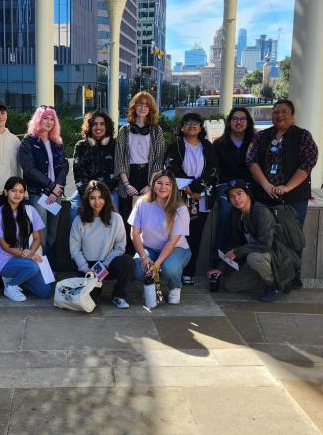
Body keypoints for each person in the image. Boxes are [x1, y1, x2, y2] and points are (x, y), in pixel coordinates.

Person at [207, 184, 299, 302]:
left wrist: (237, 251)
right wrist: (220, 268)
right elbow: (234, 244)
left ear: (248, 195)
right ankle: (281, 282)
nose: (236, 199)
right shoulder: (237, 215)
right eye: (232, 196)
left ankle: (276, 285)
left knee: (253, 258)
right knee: (230, 285)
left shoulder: (261, 211)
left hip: (276, 255)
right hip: (256, 257)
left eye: (239, 194)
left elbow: (265, 244)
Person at [163, 111, 217, 285]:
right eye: (187, 123)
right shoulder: (175, 146)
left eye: (196, 123)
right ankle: (174, 271)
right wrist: (188, 189)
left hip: (201, 197)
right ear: (181, 127)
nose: (192, 126)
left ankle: (189, 272)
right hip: (181, 197)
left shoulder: (208, 146)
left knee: (196, 236)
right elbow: (172, 168)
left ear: (201, 127)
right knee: (178, 235)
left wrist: (197, 189)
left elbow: (213, 169)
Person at [247, 99, 318, 226]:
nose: (279, 115)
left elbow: (307, 163)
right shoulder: (261, 135)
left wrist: (286, 188)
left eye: (284, 112)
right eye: (275, 112)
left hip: (294, 197)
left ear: (292, 115)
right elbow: (251, 160)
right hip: (264, 195)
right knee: (264, 235)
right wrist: (266, 185)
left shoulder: (303, 136)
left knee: (291, 236)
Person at [129, 170, 191, 305]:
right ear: (153, 184)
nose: (163, 187)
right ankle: (151, 285)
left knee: (169, 267)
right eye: (159, 183)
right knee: (138, 269)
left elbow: (172, 241)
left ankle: (175, 286)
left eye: (168, 184)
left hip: (177, 249)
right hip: (150, 248)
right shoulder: (142, 203)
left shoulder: (180, 208)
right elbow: (134, 234)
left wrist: (157, 264)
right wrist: (144, 257)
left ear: (173, 186)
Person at [69, 180, 134, 309]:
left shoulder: (116, 219)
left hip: (107, 263)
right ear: (87, 200)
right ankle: (94, 290)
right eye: (93, 198)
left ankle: (119, 295)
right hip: (87, 266)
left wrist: (103, 266)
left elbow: (120, 246)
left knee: (128, 261)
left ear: (107, 199)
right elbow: (74, 249)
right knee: (90, 303)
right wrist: (86, 268)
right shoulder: (78, 220)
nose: (97, 202)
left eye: (100, 198)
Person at [0, 176, 54, 302]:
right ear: (5, 192)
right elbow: (4, 246)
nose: (17, 194)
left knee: (45, 292)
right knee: (33, 267)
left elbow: (37, 238)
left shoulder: (30, 211)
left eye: (20, 191)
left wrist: (30, 253)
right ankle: (10, 286)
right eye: (13, 191)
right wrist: (26, 255)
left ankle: (20, 279)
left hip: (27, 258)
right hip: (6, 261)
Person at [18, 105, 68, 254]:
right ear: (38, 119)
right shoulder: (28, 142)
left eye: (52, 119)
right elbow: (29, 169)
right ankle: (43, 268)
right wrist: (51, 186)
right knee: (41, 234)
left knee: (52, 233)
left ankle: (48, 265)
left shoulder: (57, 142)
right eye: (45, 118)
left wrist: (57, 188)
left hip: (55, 194)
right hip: (39, 194)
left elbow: (64, 167)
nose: (49, 122)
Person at [212, 106, 255, 258]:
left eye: (243, 119)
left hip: (249, 185)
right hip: (226, 185)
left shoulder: (255, 142)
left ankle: (246, 256)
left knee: (253, 209)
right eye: (235, 119)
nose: (239, 122)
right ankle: (219, 259)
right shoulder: (219, 144)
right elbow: (213, 169)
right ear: (229, 122)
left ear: (248, 122)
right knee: (226, 209)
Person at [114, 91, 166, 210]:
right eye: (139, 105)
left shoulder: (157, 131)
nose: (143, 108)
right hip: (128, 177)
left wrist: (151, 184)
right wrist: (127, 185)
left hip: (148, 176)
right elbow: (119, 160)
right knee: (127, 217)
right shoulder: (124, 131)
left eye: (147, 105)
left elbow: (159, 160)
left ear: (150, 109)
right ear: (134, 107)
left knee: (147, 218)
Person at [71, 110, 118, 215]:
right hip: (85, 191)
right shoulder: (80, 146)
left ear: (107, 127)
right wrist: (88, 194)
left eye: (102, 124)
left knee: (114, 212)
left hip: (108, 191)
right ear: (89, 127)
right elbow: (78, 174)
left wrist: (102, 194)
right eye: (95, 124)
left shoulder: (115, 146)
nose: (98, 127)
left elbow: (115, 174)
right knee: (75, 209)